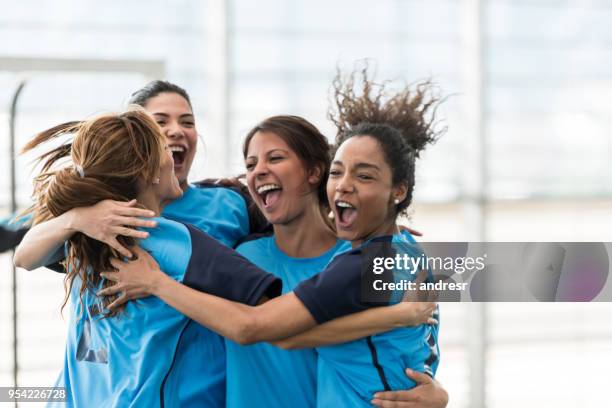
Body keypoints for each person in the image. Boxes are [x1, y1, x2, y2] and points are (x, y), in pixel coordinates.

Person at [15, 81, 447, 407]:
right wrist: (76, 217)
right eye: (249, 163)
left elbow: (496, 276)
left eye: (275, 158)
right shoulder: (108, 226)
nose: (173, 133)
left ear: (313, 172)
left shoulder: (349, 255)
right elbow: (24, 253)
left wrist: (439, 393)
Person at [14, 109, 282, 407]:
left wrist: (158, 284)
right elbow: (23, 257)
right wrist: (76, 217)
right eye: (163, 146)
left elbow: (24, 259)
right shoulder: (175, 243)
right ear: (149, 172)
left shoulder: (85, 237)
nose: (173, 140)